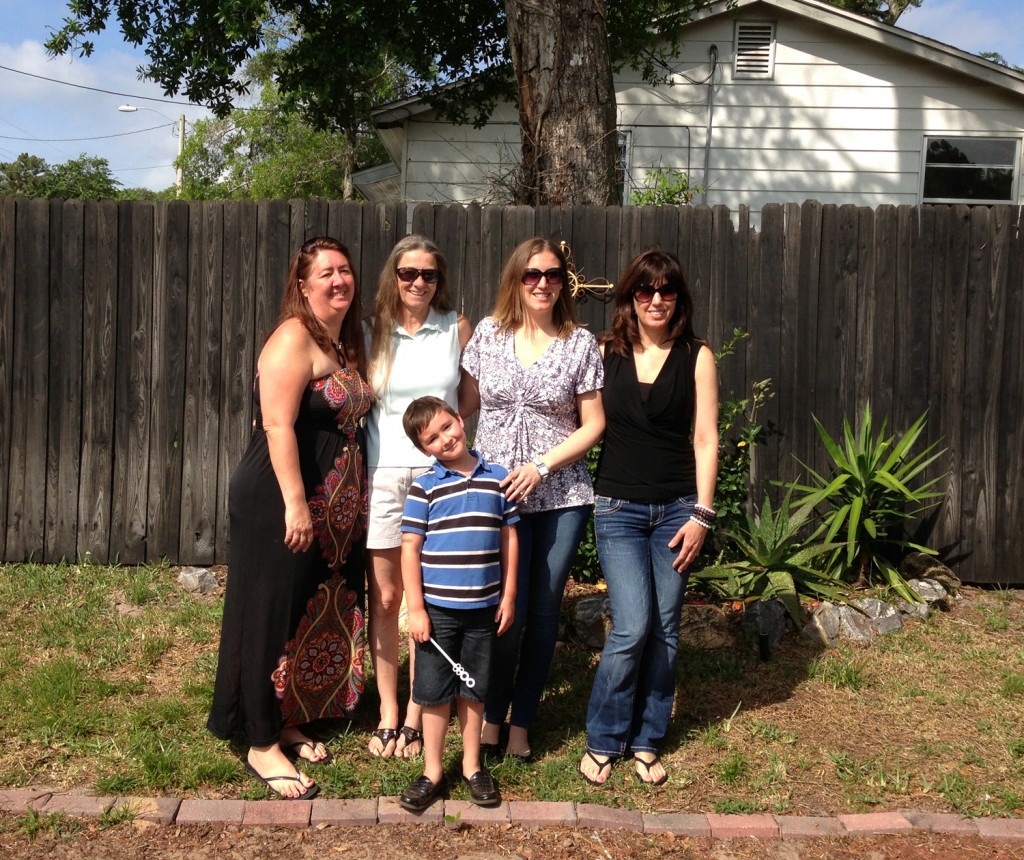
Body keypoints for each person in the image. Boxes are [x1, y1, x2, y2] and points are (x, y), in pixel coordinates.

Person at [208, 237, 372, 800]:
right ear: (302, 286)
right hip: (278, 501)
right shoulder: (292, 337)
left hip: (325, 512)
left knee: (301, 610)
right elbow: (278, 426)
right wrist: (296, 504)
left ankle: (282, 716)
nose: (338, 281)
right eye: (325, 273)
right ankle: (259, 741)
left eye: (345, 271)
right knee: (269, 613)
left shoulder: (342, 342)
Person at [577, 249, 718, 787]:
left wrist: (703, 514)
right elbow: (578, 419)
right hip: (617, 508)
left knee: (665, 629)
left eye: (666, 291)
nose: (655, 300)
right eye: (644, 290)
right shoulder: (602, 352)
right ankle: (603, 735)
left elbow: (705, 438)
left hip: (679, 511)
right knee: (632, 625)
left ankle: (647, 738)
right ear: (629, 297)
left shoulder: (697, 355)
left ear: (678, 298)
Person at [460, 237, 605, 760]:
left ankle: (522, 719)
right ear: (515, 279)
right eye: (531, 274)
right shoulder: (488, 337)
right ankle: (491, 716)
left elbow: (595, 424)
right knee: (506, 611)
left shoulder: (579, 342)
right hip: (498, 494)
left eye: (552, 274)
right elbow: (462, 406)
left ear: (564, 282)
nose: (542, 282)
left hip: (562, 494)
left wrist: (543, 466)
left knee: (543, 610)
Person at [363, 236, 473, 758]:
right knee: (386, 599)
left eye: (428, 275)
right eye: (408, 273)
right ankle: (387, 707)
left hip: (440, 481)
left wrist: (449, 438)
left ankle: (415, 709)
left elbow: (470, 393)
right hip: (384, 474)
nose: (418, 283)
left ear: (439, 280)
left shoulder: (456, 327)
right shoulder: (370, 332)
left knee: (424, 601)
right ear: (394, 276)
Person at [397, 397, 519, 811]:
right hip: (438, 613)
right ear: (424, 449)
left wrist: (510, 593)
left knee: (473, 689)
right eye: (432, 438)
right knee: (432, 693)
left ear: (460, 419)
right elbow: (410, 548)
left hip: (484, 608)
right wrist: (416, 608)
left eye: (447, 426)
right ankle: (432, 770)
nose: (445, 438)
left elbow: (509, 537)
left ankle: (471, 765)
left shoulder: (497, 479)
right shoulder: (424, 488)